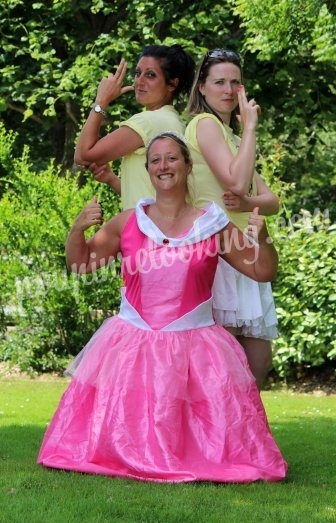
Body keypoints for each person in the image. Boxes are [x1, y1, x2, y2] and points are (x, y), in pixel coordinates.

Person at [37, 132, 287, 483]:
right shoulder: (127, 222)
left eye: (172, 158)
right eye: (155, 160)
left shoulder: (213, 224)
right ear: (148, 168)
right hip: (132, 343)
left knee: (205, 434)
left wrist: (263, 239)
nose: (163, 166)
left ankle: (185, 455)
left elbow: (262, 270)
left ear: (187, 166)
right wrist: (77, 229)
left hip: (196, 345)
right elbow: (81, 264)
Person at [185, 49, 280, 389]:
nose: (228, 90)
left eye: (235, 83)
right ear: (202, 88)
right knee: (221, 362)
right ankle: (214, 439)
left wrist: (246, 202)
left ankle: (244, 438)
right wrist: (252, 126)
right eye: (219, 82)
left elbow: (271, 202)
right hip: (218, 251)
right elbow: (235, 181)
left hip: (248, 250)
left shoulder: (235, 138)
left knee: (258, 363)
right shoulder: (205, 124)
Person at [74, 44, 195, 210]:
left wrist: (101, 101)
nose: (140, 81)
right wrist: (112, 179)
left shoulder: (150, 121)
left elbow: (83, 156)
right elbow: (147, 198)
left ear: (172, 84)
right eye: (138, 73)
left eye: (150, 75)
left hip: (147, 233)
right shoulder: (174, 121)